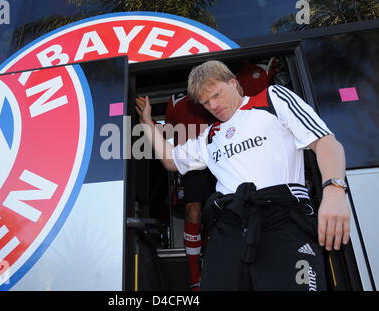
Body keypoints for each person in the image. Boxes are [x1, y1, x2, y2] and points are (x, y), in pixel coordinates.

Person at [135, 60, 350, 291]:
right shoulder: (210, 135)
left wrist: (334, 191)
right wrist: (147, 123)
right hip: (230, 226)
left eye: (216, 95)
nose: (213, 105)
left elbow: (326, 142)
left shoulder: (271, 100)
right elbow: (170, 160)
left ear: (234, 83)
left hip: (282, 220)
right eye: (206, 102)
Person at [164, 91, 216, 291]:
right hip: (190, 159)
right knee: (192, 210)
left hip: (216, 153)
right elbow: (168, 132)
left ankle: (214, 265)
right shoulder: (175, 99)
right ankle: (195, 277)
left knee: (219, 209)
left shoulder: (211, 89)